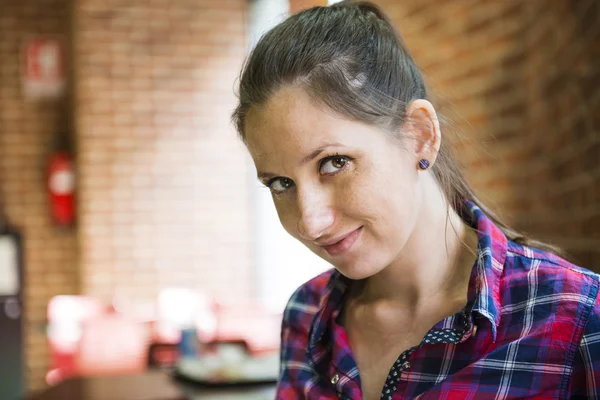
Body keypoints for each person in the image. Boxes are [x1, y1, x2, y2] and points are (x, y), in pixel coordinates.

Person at [232, 2, 600, 399]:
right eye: (281, 183)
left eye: (334, 162)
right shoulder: (305, 315)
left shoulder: (577, 317)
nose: (311, 222)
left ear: (419, 136)